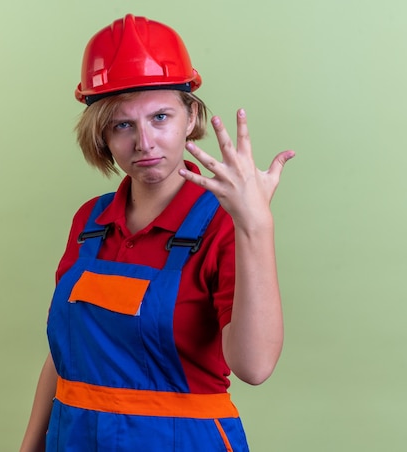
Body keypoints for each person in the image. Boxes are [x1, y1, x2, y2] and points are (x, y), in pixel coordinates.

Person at [20, 13, 295, 452]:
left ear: (191, 118)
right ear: (102, 136)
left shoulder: (224, 223)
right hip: (72, 440)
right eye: (122, 124)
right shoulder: (90, 222)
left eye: (161, 117)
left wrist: (255, 225)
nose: (144, 143)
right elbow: (65, 355)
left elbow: (255, 366)